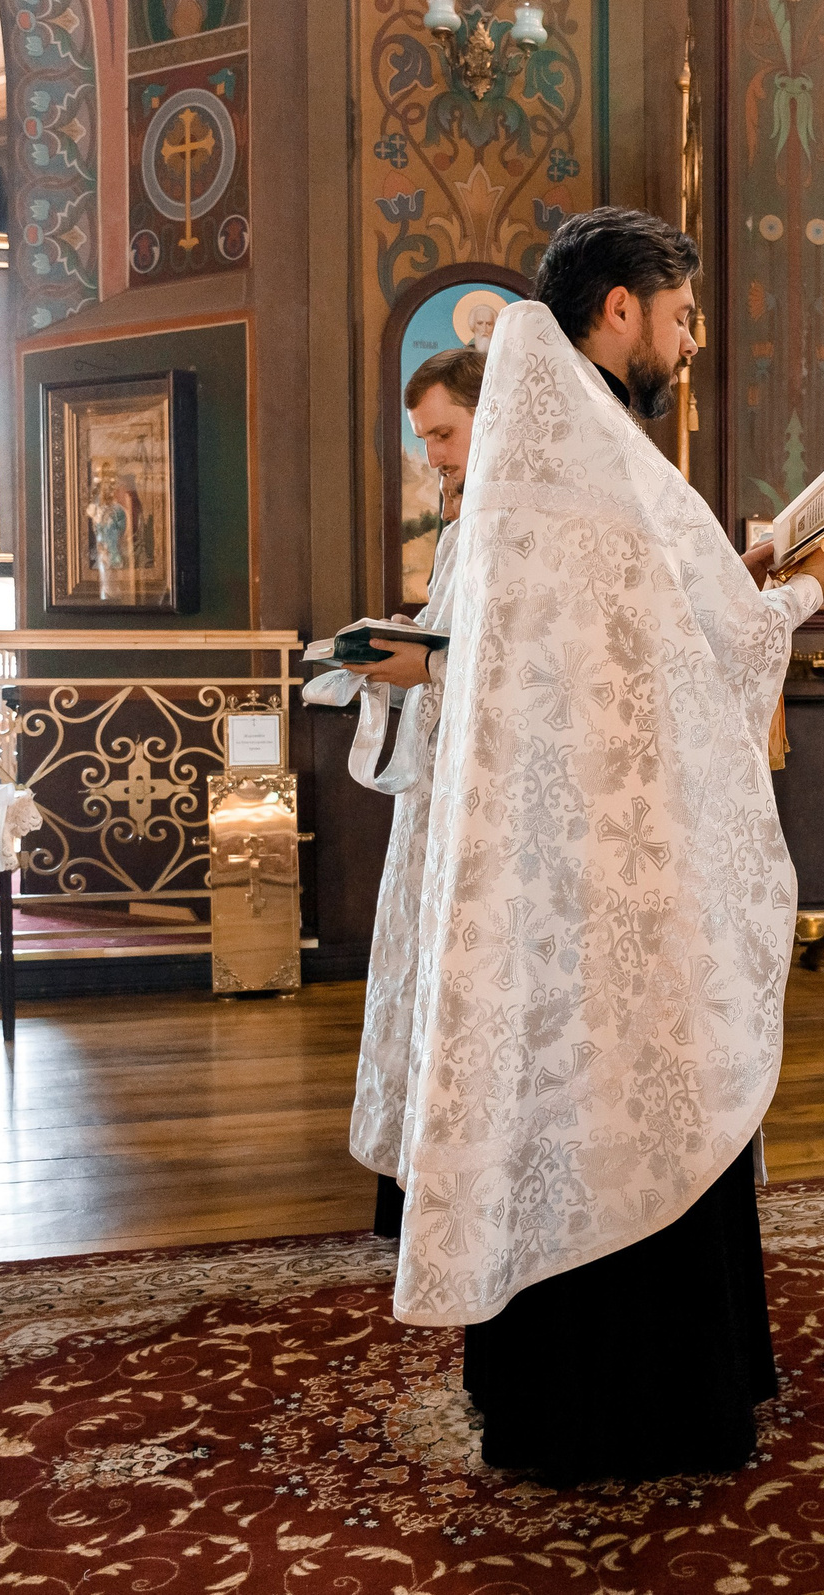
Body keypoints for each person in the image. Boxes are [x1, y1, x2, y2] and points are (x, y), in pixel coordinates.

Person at [364, 205, 824, 1482]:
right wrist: (809, 581)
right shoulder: (599, 456)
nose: (687, 344)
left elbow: (648, 623)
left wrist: (741, 569)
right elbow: (720, 647)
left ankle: (537, 1391)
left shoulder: (545, 460)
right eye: (681, 315)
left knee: (555, 1100)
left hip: (558, 875)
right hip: (624, 883)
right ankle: (653, 1407)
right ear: (622, 308)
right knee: (643, 1092)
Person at [341, 345, 483, 1242]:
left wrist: (425, 658)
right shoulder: (464, 516)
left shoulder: (509, 520)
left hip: (473, 789)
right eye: (423, 437)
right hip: (436, 784)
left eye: (443, 432)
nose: (430, 453)